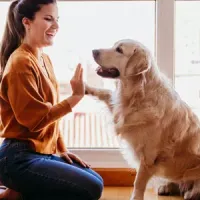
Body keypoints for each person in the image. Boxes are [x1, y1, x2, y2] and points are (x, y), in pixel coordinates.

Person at [0, 0, 104, 199]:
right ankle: (14, 189)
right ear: (26, 22)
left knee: (96, 180)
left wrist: (61, 149)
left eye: (57, 20)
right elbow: (34, 120)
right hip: (17, 157)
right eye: (48, 19)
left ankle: (18, 191)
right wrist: (75, 97)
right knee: (90, 189)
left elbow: (50, 116)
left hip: (39, 153)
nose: (56, 26)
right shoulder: (20, 63)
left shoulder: (43, 59)